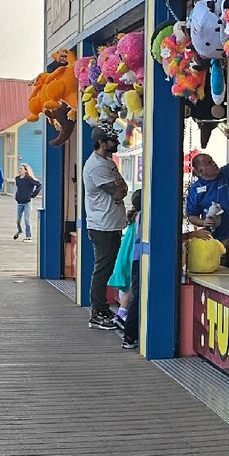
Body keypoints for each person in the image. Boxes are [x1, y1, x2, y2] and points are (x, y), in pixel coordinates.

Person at [185, 127, 229, 270]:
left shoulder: (227, 174)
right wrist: (203, 221)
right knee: (218, 273)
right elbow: (191, 216)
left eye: (212, 160)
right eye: (208, 163)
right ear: (200, 171)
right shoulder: (195, 189)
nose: (214, 163)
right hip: (215, 238)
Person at [83, 126, 128, 330]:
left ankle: (102, 308)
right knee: (102, 269)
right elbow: (119, 193)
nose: (115, 144)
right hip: (102, 226)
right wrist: (120, 187)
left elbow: (124, 187)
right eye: (111, 140)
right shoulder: (96, 167)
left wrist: (121, 187)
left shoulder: (108, 163)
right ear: (102, 143)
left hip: (112, 224)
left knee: (109, 267)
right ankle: (97, 312)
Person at [108, 189, 142, 350]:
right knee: (135, 294)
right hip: (137, 259)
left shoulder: (134, 218)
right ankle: (129, 334)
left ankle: (123, 318)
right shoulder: (142, 218)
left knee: (132, 292)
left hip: (133, 258)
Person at [14, 163, 42, 241]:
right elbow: (17, 188)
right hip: (20, 201)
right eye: (19, 169)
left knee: (26, 219)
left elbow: (39, 185)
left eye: (21, 169)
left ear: (26, 170)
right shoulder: (17, 179)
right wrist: (16, 196)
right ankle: (19, 230)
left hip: (27, 201)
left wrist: (33, 194)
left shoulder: (29, 179)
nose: (19, 170)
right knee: (18, 220)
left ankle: (28, 236)